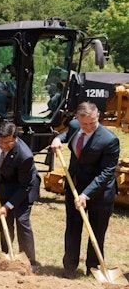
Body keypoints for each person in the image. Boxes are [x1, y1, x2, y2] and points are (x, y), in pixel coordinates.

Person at [50, 102, 120, 279]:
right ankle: (69, 266)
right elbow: (69, 134)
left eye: (92, 123)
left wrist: (86, 194)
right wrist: (59, 138)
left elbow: (106, 173)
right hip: (75, 187)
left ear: (98, 117)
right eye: (84, 124)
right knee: (73, 228)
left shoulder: (109, 140)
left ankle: (93, 269)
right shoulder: (74, 126)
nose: (88, 127)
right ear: (77, 119)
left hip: (100, 192)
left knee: (96, 231)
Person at [0, 121, 40, 274]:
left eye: (7, 142)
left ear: (15, 138)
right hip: (5, 185)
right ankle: (6, 256)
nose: (2, 145)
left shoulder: (24, 156)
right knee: (4, 222)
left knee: (22, 221)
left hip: (24, 188)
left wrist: (7, 205)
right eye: (0, 142)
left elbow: (25, 187)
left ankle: (29, 263)